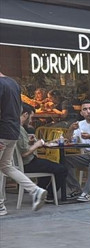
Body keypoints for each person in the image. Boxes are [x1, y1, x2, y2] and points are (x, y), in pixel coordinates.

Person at [0, 71, 47, 215]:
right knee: (6, 166)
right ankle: (35, 190)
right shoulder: (13, 83)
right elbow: (19, 109)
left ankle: (0, 206)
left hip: (2, 131)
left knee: (5, 166)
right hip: (12, 131)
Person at [16, 104, 68, 203]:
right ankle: (49, 195)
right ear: (25, 115)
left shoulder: (14, 128)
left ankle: (40, 193)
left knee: (49, 166)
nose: (31, 120)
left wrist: (30, 142)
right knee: (62, 169)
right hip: (27, 163)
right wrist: (37, 144)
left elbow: (21, 147)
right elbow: (24, 153)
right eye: (31, 117)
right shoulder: (20, 129)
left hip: (19, 164)